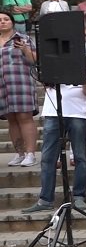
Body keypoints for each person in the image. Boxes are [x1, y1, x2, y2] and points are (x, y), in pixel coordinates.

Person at [22, 37, 86, 213]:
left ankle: (78, 195)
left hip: (77, 112)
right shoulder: (52, 56)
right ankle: (45, 199)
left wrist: (82, 75)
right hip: (53, 111)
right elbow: (42, 80)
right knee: (48, 157)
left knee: (80, 156)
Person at [0, 10, 38, 167]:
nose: (2, 22)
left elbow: (35, 59)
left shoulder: (23, 38)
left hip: (21, 82)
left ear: (12, 22)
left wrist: (25, 49)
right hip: (2, 86)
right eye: (0, 20)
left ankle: (30, 154)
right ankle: (20, 153)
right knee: (11, 119)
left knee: (24, 117)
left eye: (6, 19)